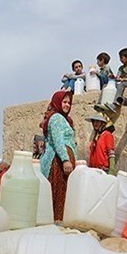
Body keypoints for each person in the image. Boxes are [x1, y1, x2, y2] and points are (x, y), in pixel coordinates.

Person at [39, 91, 78, 221]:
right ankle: (54, 223)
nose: (67, 105)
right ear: (58, 102)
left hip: (62, 162)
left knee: (63, 195)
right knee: (57, 195)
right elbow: (57, 140)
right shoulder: (56, 118)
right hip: (58, 162)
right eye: (64, 102)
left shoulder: (65, 119)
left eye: (69, 102)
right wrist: (66, 159)